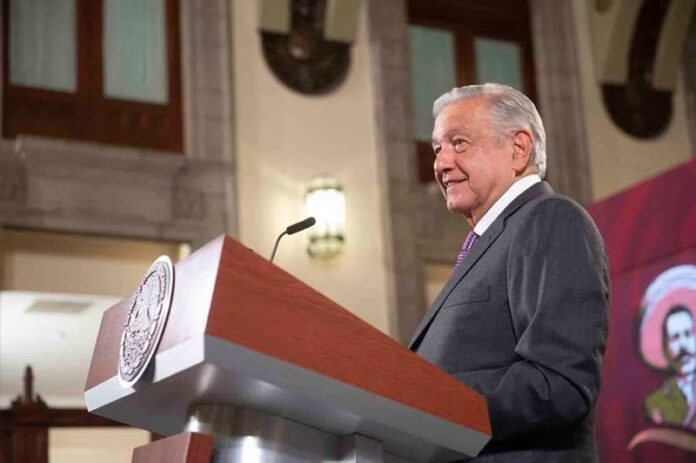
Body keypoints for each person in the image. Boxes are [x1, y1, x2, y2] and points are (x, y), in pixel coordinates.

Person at [409, 83, 610, 462]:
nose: (441, 163)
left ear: (518, 149)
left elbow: (560, 383)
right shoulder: (486, 242)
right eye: (437, 148)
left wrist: (427, 398)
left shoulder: (551, 220)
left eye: (459, 142)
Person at [639, 264, 696, 429]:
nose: (683, 345)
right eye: (675, 338)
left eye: (687, 334)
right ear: (665, 346)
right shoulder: (656, 405)